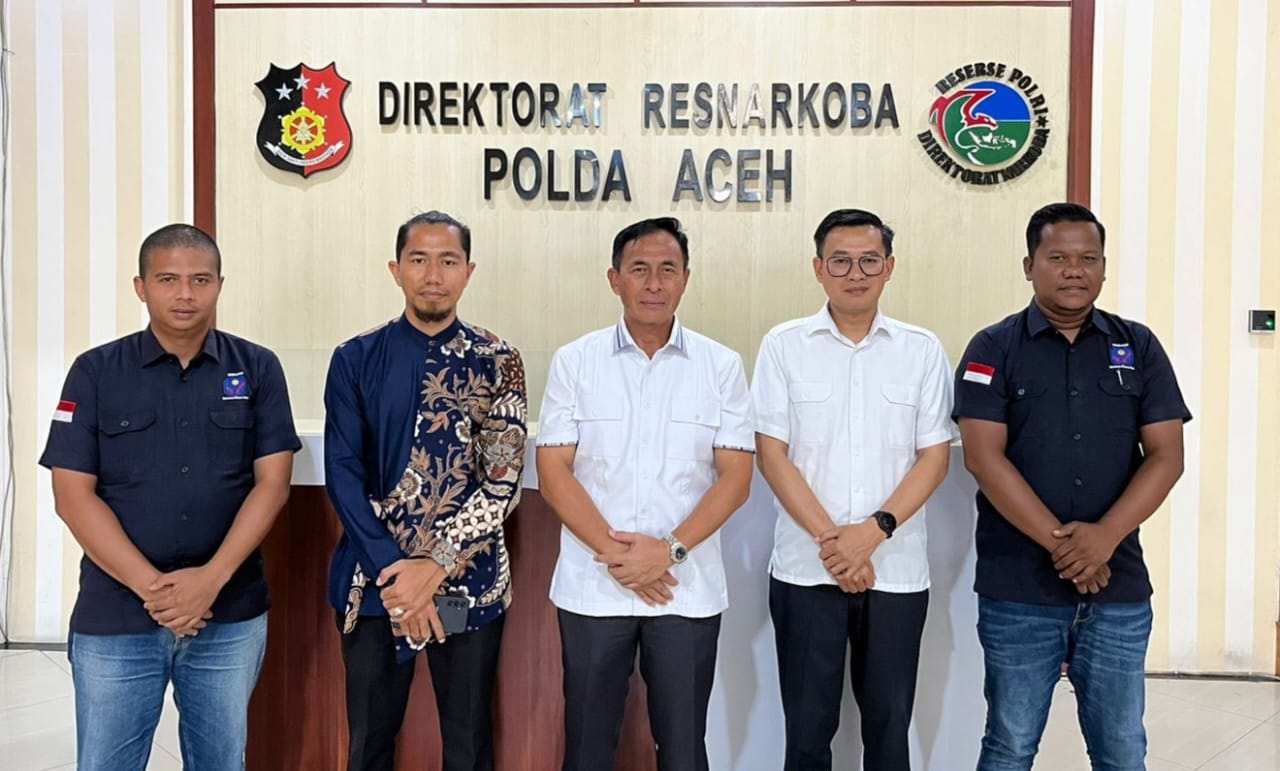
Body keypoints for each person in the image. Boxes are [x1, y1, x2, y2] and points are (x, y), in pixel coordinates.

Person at [39, 224, 300, 771]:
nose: (185, 294)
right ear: (141, 287)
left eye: (200, 280)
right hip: (118, 611)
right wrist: (157, 592)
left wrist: (209, 582)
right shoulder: (95, 372)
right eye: (168, 280)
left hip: (228, 612)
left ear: (220, 285)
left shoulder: (257, 368)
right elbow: (72, 495)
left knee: (220, 762)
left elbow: (273, 484)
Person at [954, 202, 1190, 771]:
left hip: (1118, 587)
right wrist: (1068, 548)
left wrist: (1104, 538)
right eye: (1058, 258)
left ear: (1104, 267)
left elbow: (1166, 457)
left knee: (1122, 749)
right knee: (1009, 744)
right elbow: (984, 459)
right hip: (1019, 589)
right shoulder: (992, 348)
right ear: (1029, 266)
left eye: (1088, 259)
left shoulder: (1138, 346)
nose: (1074, 271)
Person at [535, 216, 754, 771]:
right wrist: (622, 557)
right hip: (594, 588)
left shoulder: (721, 366)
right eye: (639, 270)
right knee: (586, 748)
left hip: (685, 588)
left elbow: (735, 478)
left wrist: (667, 552)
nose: (654, 284)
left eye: (667, 270)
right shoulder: (575, 361)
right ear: (615, 280)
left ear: (686, 279)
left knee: (683, 749)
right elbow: (553, 470)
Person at [751, 208, 955, 771]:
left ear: (890, 267)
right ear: (818, 268)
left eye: (869, 260)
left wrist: (870, 535)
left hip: (895, 571)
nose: (855, 273)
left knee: (889, 732)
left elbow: (934, 458)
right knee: (806, 733)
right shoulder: (783, 346)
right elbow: (772, 455)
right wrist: (834, 543)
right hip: (806, 570)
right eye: (840, 261)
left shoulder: (921, 350)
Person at [324, 210, 527, 771]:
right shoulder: (356, 357)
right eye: (419, 259)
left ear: (469, 271)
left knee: (469, 744)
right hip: (375, 582)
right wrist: (397, 576)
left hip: (469, 582)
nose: (433, 275)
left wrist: (432, 567)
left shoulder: (499, 360)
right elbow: (342, 472)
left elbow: (502, 481)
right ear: (396, 269)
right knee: (368, 743)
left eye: (448, 261)